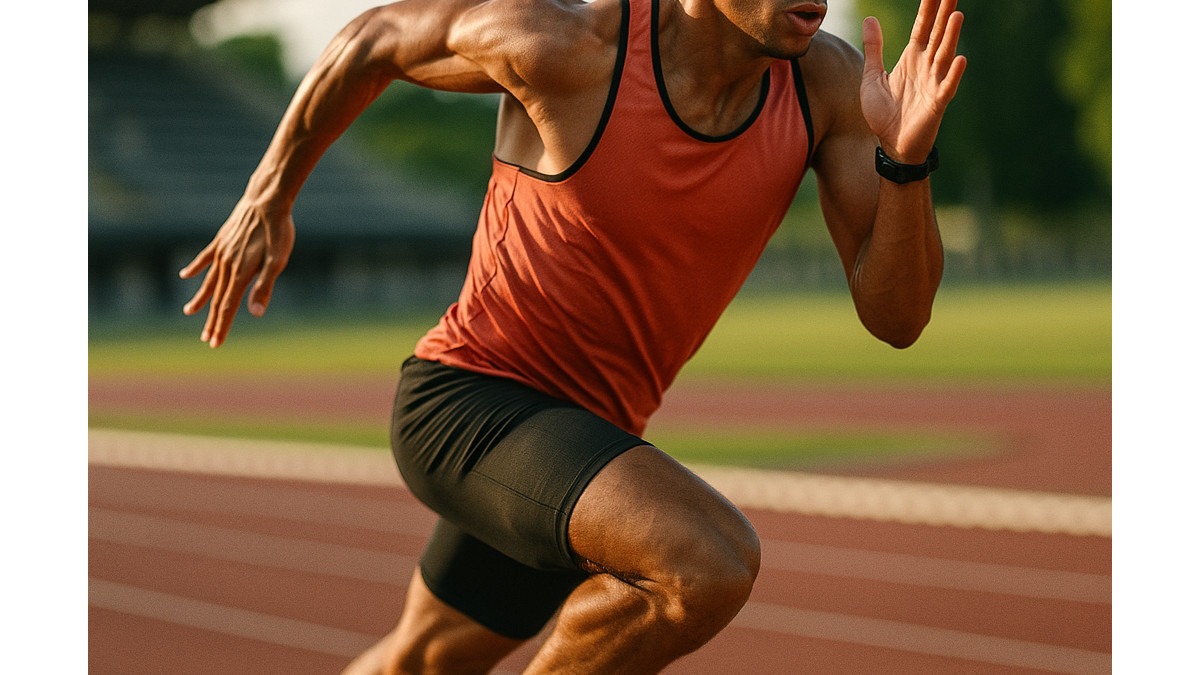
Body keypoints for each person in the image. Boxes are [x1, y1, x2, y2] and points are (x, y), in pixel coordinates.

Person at [180, 0, 966, 671]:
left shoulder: (822, 85)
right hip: (465, 403)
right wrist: (268, 193)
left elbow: (897, 317)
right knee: (704, 561)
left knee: (421, 661)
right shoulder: (571, 48)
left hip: (584, 445)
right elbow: (373, 40)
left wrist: (906, 160)